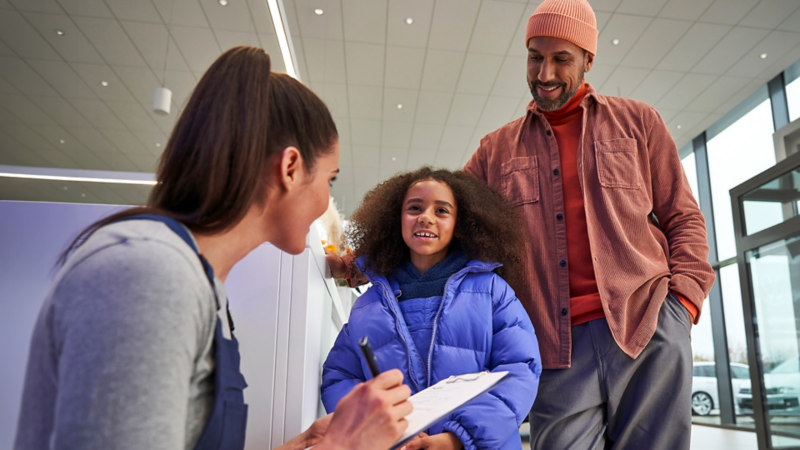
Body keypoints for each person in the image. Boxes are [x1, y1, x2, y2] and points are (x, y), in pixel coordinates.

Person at [328, 0, 716, 448]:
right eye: (535, 56)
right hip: (555, 346)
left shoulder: (638, 123)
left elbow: (683, 216)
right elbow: (439, 220)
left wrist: (682, 304)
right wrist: (361, 262)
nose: (544, 73)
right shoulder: (496, 150)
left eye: (561, 59)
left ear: (588, 60)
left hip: (646, 325)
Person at [14, 46, 412, 450]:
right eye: (331, 180)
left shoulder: (200, 287)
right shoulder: (150, 276)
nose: (327, 202)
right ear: (290, 168)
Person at [321, 168, 542, 450]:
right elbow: (339, 378)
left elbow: (520, 370)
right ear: (395, 220)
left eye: (441, 211)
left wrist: (457, 438)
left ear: (460, 225)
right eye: (415, 208)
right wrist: (379, 429)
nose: (426, 217)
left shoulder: (493, 293)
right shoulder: (368, 305)